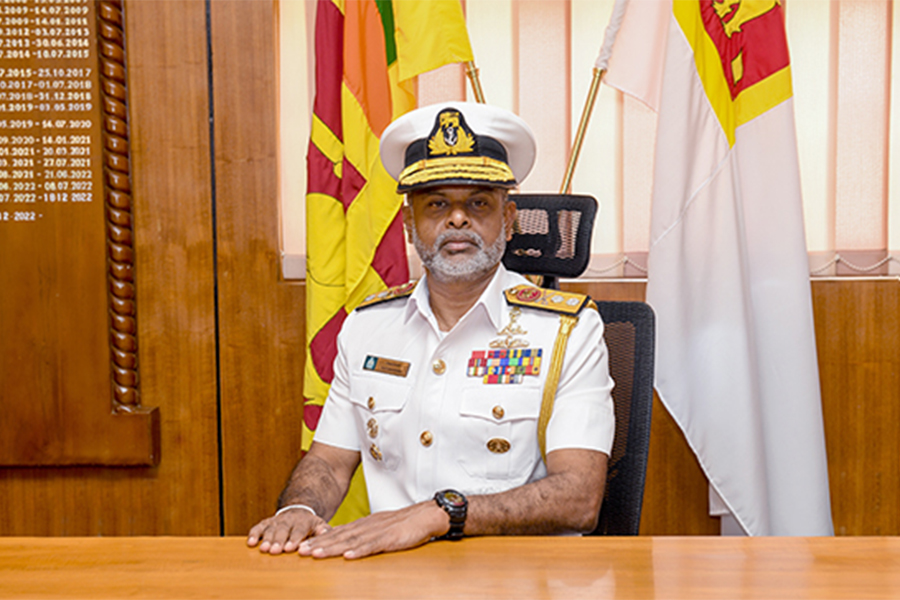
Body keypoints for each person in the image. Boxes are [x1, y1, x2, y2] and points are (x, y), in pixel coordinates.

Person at [247, 102, 615, 560]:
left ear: (509, 219)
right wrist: (298, 509)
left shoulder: (567, 331)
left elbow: (579, 497)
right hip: (393, 575)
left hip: (521, 578)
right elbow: (328, 461)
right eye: (437, 203)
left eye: (478, 203)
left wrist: (438, 514)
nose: (457, 219)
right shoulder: (368, 327)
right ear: (408, 224)